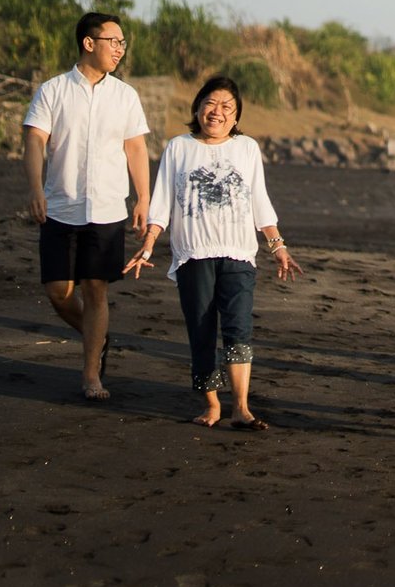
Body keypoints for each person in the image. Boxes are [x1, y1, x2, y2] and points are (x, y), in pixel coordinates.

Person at [125, 76, 303, 428]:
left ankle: (241, 406)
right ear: (197, 107)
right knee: (201, 330)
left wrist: (278, 245)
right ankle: (212, 405)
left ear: (236, 117)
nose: (217, 112)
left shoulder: (247, 148)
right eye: (210, 103)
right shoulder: (178, 147)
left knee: (238, 328)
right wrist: (148, 246)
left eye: (227, 107)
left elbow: (259, 200)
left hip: (238, 254)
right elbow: (161, 204)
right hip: (193, 255)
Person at [22, 11, 151, 401]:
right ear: (89, 43)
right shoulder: (53, 90)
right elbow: (33, 142)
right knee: (58, 292)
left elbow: (136, 148)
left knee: (96, 289)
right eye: (114, 41)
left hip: (108, 208)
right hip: (60, 205)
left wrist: (143, 197)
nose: (120, 50)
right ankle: (98, 337)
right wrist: (35, 189)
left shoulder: (125, 96)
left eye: (123, 43)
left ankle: (91, 372)